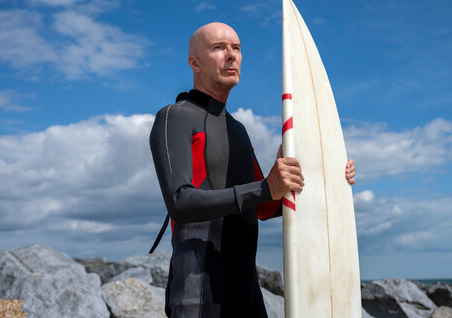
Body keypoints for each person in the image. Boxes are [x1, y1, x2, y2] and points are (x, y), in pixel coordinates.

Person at [149, 22, 356, 317]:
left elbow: (266, 206)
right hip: (197, 296)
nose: (231, 55)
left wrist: (329, 180)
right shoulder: (175, 117)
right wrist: (264, 188)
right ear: (195, 62)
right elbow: (181, 203)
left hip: (247, 295)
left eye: (237, 48)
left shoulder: (238, 129)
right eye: (219, 48)